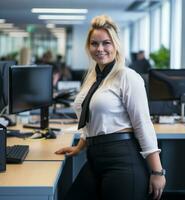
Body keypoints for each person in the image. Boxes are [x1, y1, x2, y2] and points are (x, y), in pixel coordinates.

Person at [55, 15, 166, 200]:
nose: (100, 49)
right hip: (94, 158)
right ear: (88, 47)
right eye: (94, 43)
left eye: (106, 43)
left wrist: (157, 172)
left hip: (121, 159)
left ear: (116, 45)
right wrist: (79, 147)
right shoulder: (93, 77)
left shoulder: (127, 77)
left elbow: (143, 124)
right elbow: (92, 119)